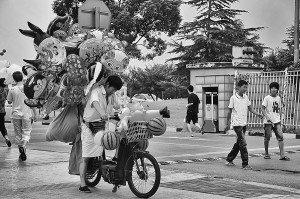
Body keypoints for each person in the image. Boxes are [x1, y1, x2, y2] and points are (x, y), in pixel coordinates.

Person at [79, 75, 123, 193]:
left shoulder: (112, 95)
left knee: (119, 134)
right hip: (89, 126)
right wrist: (103, 113)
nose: (113, 92)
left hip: (102, 125)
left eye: (115, 91)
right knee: (86, 157)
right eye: (113, 89)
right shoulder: (96, 91)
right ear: (107, 85)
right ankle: (82, 184)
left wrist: (127, 109)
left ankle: (112, 160)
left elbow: (120, 105)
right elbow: (95, 102)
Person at [225, 80, 263, 170]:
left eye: (246, 87)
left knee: (239, 143)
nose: (245, 89)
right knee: (243, 143)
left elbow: (250, 108)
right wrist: (228, 122)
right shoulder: (233, 98)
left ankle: (229, 159)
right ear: (238, 87)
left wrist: (257, 114)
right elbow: (229, 111)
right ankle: (245, 164)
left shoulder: (246, 97)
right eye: (244, 87)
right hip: (237, 124)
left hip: (243, 123)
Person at [6, 71, 37, 161]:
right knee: (26, 132)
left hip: (15, 114)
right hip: (26, 114)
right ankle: (23, 146)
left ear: (14, 79)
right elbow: (32, 102)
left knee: (18, 134)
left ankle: (21, 152)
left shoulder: (12, 89)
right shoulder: (28, 88)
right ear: (22, 77)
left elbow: (9, 101)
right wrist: (35, 113)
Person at [261, 82, 290, 161]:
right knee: (267, 138)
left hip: (277, 121)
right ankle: (266, 154)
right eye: (272, 88)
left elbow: (279, 109)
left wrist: (280, 120)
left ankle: (282, 155)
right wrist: (267, 117)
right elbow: (262, 108)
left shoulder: (278, 98)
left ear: (277, 89)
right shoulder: (267, 98)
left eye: (275, 88)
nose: (273, 89)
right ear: (270, 89)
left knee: (280, 137)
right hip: (268, 122)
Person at [0, 78, 11, 147]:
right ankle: (6, 137)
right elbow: (9, 101)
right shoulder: (6, 90)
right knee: (2, 125)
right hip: (2, 111)